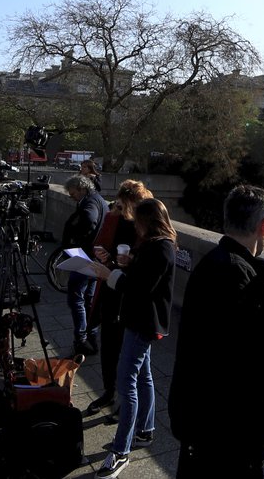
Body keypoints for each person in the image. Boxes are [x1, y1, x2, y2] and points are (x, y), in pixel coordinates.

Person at [168, 185, 264, 478]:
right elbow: (255, 364)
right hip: (232, 431)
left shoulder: (210, 263)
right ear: (263, 225)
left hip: (198, 418)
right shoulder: (243, 277)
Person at [90, 198, 176, 479]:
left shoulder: (161, 248)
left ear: (147, 222)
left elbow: (139, 288)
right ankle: (145, 430)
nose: (134, 226)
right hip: (141, 320)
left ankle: (121, 450)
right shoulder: (156, 245)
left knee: (126, 383)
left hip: (142, 323)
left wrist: (110, 274)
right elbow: (141, 275)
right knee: (143, 376)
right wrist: (122, 262)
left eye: (137, 221)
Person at [84, 180, 155, 415]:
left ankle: (126, 401)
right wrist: (102, 254)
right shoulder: (113, 218)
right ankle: (108, 391)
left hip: (131, 293)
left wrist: (131, 261)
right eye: (122, 206)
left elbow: (152, 261)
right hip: (110, 289)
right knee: (108, 344)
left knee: (129, 353)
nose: (125, 212)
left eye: (129, 207)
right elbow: (99, 245)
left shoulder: (148, 223)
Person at [62, 174, 109, 356]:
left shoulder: (89, 203)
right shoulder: (99, 200)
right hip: (95, 259)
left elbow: (90, 219)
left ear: (82, 189)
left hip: (85, 258)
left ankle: (81, 340)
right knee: (89, 300)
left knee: (76, 298)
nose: (71, 197)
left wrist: (77, 238)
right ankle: (91, 338)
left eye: (73, 194)